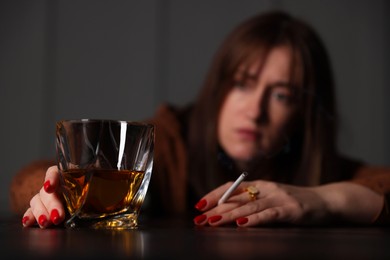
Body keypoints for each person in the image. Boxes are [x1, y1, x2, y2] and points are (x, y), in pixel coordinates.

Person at [10, 10, 390, 228]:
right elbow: (30, 177)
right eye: (243, 84)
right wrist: (48, 192)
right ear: (219, 88)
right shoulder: (168, 142)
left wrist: (321, 199)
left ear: (304, 113)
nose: (254, 111)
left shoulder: (317, 162)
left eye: (281, 95)